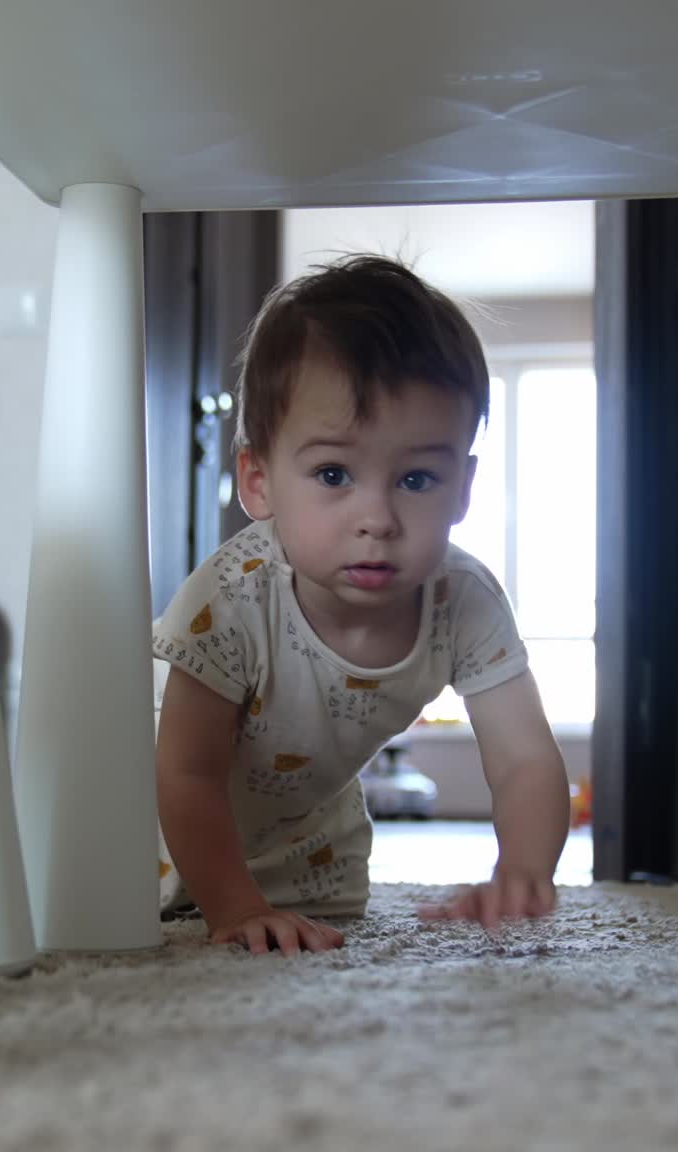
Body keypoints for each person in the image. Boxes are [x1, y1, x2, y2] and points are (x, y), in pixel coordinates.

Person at [152, 254, 570, 957]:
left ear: (463, 488)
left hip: (310, 829)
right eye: (334, 474)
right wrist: (233, 907)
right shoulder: (229, 599)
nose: (377, 517)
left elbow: (526, 758)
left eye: (415, 478)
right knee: (151, 914)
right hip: (167, 817)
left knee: (324, 935)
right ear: (258, 481)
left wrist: (524, 871)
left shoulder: (461, 598)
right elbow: (186, 771)